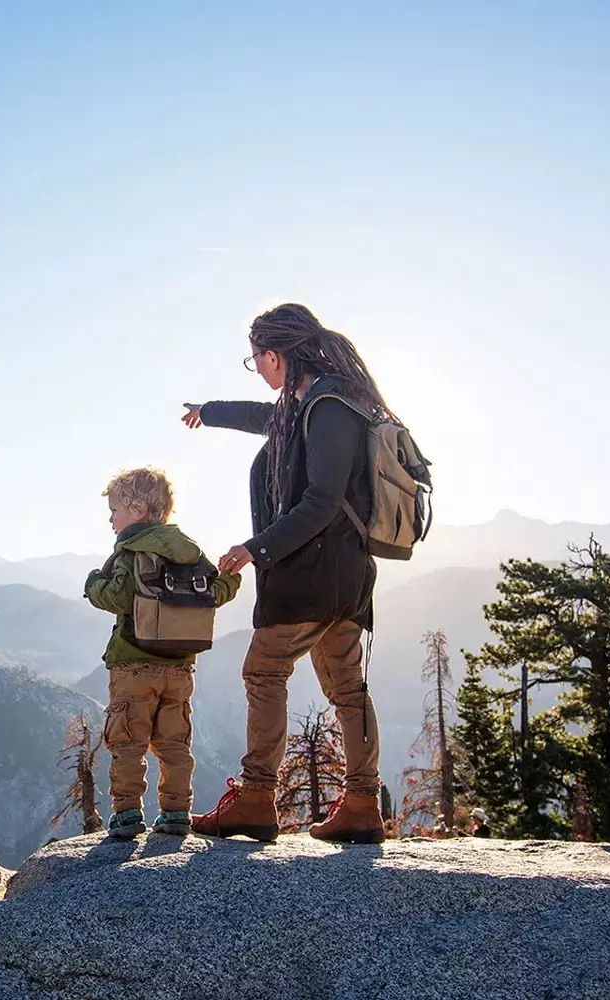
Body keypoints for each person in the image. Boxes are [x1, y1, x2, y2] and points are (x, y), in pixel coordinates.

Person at [183, 302, 398, 844]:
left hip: (312, 573)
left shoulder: (326, 406)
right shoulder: (309, 403)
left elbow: (322, 500)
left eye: (255, 358)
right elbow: (260, 417)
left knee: (264, 671)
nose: (256, 368)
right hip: (344, 575)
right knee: (348, 687)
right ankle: (362, 806)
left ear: (275, 355)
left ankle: (256, 799)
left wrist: (256, 548)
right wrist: (207, 411)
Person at [84, 467, 240, 839]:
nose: (110, 519)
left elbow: (120, 596)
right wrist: (231, 578)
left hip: (133, 664)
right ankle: (175, 813)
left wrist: (93, 585)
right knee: (174, 742)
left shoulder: (132, 551)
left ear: (137, 510)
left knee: (127, 741)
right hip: (179, 667)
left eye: (115, 510)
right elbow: (214, 594)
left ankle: (126, 814)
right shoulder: (190, 553)